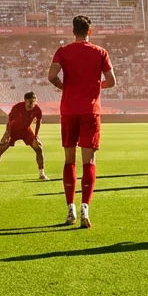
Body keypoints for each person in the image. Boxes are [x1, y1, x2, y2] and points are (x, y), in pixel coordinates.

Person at [49, 15, 115, 228]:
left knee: (69, 159)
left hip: (69, 110)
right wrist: (96, 87)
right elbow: (112, 81)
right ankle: (86, 206)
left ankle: (71, 208)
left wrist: (64, 87)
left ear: (73, 31)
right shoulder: (100, 52)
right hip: (90, 110)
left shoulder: (63, 51)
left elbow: (51, 76)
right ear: (90, 31)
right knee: (90, 160)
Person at [0, 91, 46, 182]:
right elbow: (9, 121)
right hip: (13, 131)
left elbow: (38, 123)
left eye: (33, 102)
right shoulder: (17, 107)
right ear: (25, 101)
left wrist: (36, 137)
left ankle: (42, 173)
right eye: (29, 102)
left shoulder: (37, 110)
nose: (31, 105)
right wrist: (7, 134)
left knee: (39, 148)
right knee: (0, 149)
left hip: (26, 131)